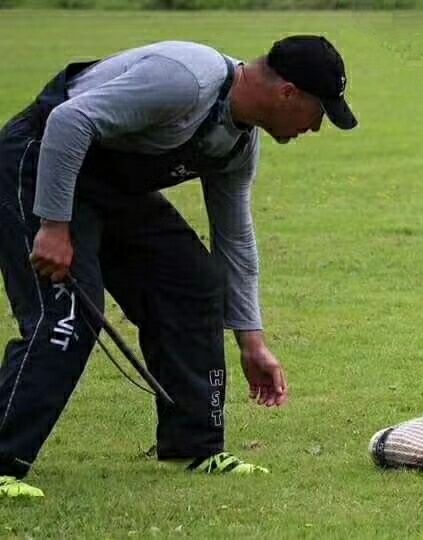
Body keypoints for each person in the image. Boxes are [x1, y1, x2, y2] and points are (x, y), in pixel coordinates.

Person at [0, 35, 356, 497]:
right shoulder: (187, 80)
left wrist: (252, 341)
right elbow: (68, 122)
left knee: (192, 284)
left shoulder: (237, 144)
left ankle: (196, 446)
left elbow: (235, 241)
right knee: (66, 318)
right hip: (39, 162)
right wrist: (53, 225)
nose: (316, 127)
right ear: (288, 93)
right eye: (319, 113)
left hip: (108, 187)